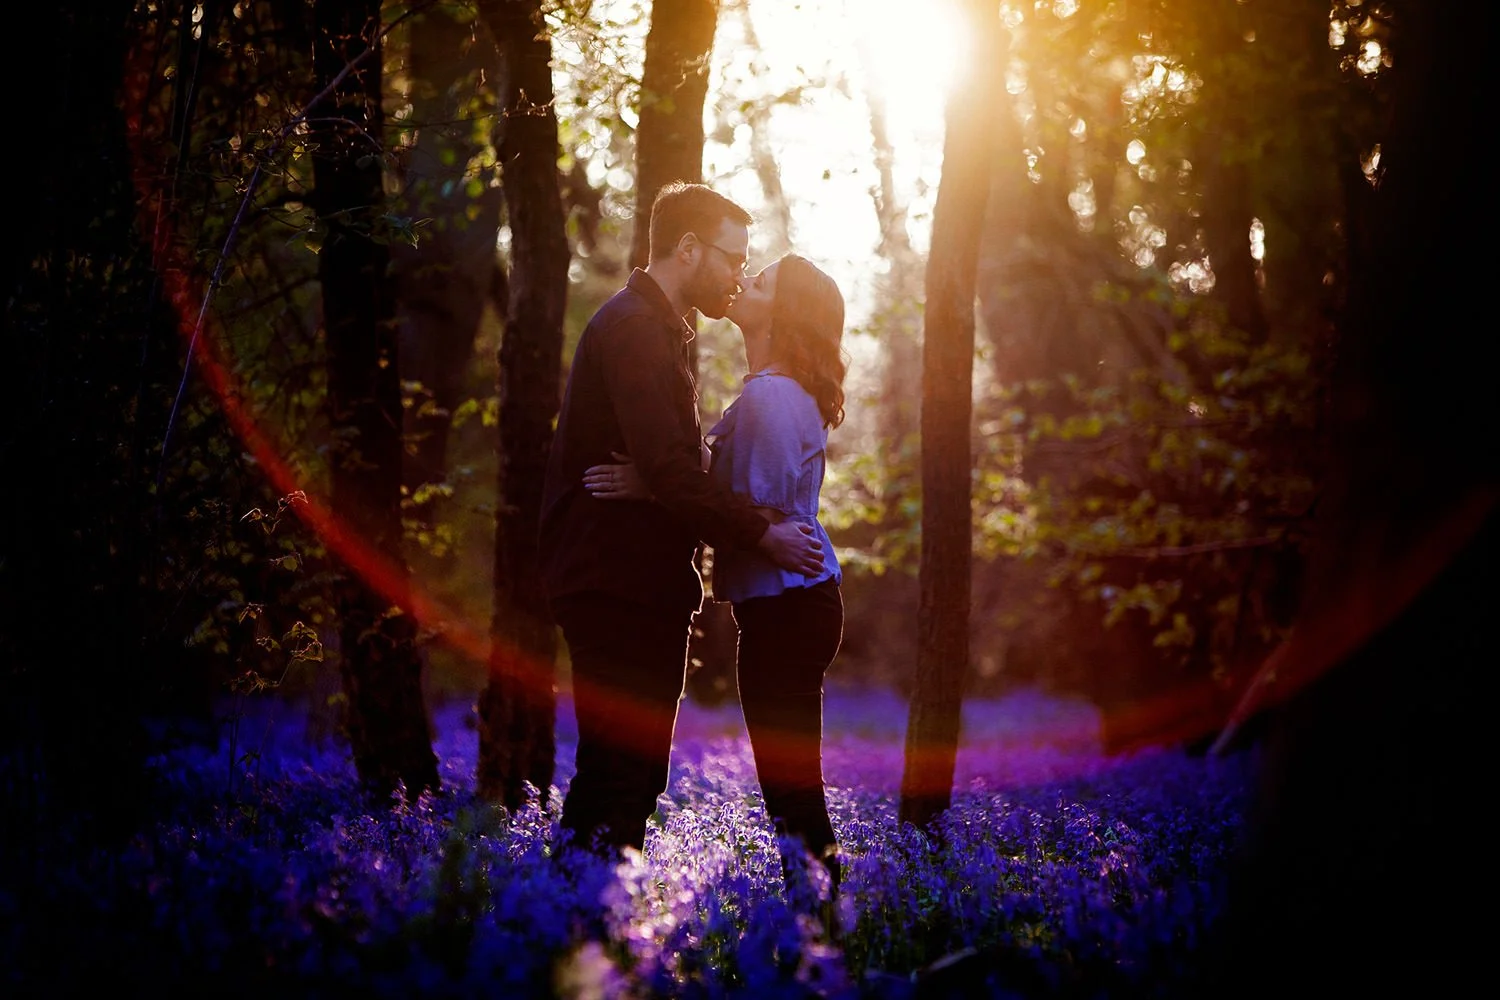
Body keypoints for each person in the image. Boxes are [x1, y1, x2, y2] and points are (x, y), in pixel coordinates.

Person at [538, 182, 826, 862]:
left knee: (633, 777)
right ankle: (573, 930)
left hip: (639, 586)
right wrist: (761, 532)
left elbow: (667, 467)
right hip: (613, 584)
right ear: (688, 248)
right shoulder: (635, 328)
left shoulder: (661, 330)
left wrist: (660, 477)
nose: (736, 274)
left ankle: (591, 928)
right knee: (616, 772)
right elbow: (673, 473)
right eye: (732, 258)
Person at [585, 252, 849, 903]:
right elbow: (720, 483)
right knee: (790, 779)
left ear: (781, 312)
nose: (743, 281)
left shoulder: (769, 397)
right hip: (793, 606)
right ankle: (821, 911)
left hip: (788, 609)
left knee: (789, 784)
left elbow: (738, 513)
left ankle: (822, 916)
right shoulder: (773, 390)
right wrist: (663, 479)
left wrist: (654, 488)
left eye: (760, 282)